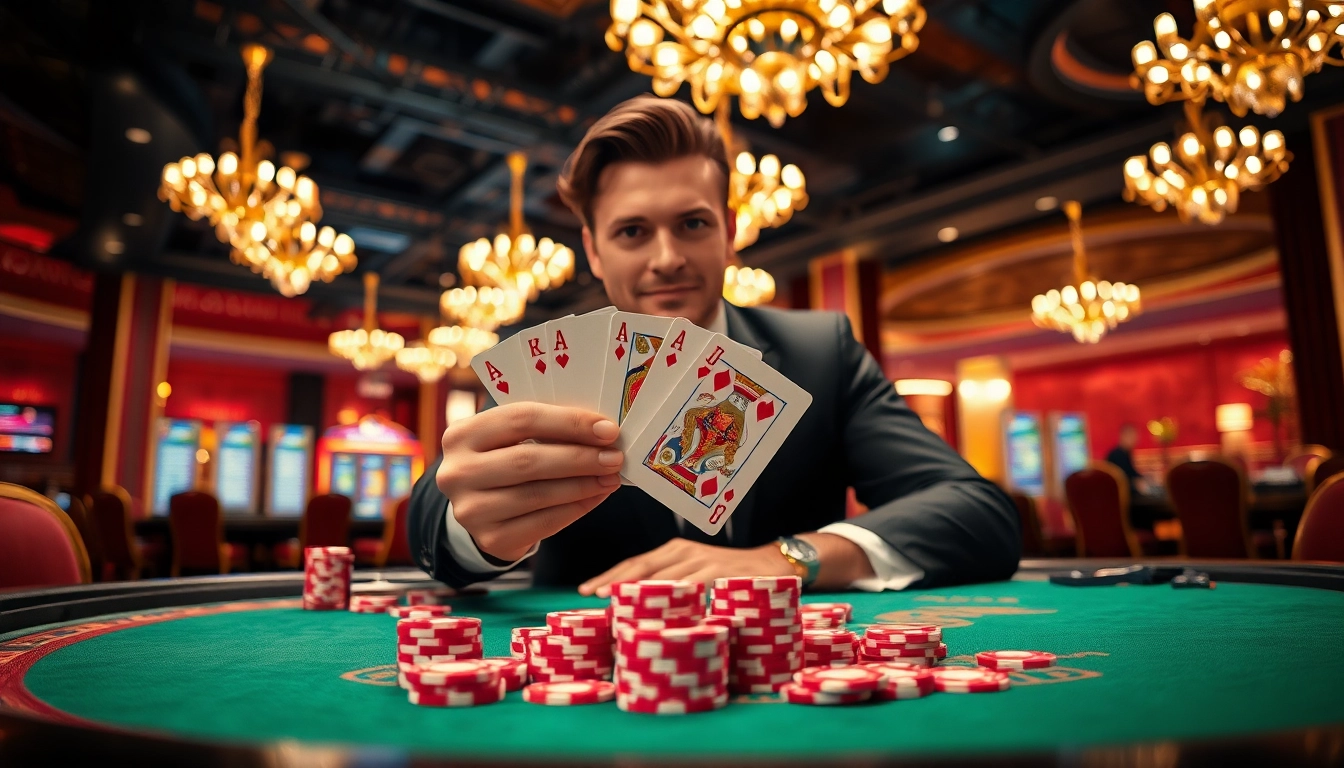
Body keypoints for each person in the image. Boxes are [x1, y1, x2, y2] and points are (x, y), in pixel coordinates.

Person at [407, 95, 1019, 596]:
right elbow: (434, 525)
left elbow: (976, 513)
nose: (667, 257)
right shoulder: (551, 360)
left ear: (729, 234)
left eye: (693, 224)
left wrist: (791, 558)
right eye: (633, 232)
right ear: (594, 251)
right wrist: (474, 530)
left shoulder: (820, 355)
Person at [1106, 423, 1149, 495]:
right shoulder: (1118, 455)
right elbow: (1123, 479)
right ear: (1123, 436)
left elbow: (1132, 473)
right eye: (1132, 436)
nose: (1135, 440)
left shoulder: (1126, 453)